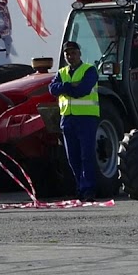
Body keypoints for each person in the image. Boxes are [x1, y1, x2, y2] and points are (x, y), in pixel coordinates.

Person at [49, 40, 100, 202]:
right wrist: (70, 85)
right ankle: (81, 187)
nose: (71, 56)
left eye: (73, 53)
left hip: (86, 118)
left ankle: (89, 189)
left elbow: (83, 90)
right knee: (73, 157)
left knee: (87, 155)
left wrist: (63, 88)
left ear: (79, 53)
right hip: (68, 118)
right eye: (68, 54)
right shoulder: (62, 72)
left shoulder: (89, 70)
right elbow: (52, 89)